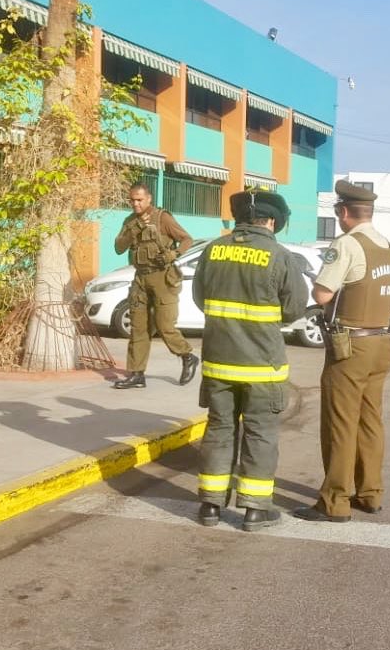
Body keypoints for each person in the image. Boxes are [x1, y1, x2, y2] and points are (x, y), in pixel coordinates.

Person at [192, 190, 309, 532]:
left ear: (241, 218)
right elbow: (294, 308)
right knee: (260, 433)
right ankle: (255, 510)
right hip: (261, 365)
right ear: (271, 221)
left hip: (218, 361)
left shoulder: (213, 250)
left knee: (219, 428)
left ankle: (210, 506)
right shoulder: (279, 255)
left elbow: (200, 298)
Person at [294, 180, 390, 523]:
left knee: (341, 423)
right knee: (371, 420)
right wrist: (378, 315)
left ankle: (335, 501)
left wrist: (319, 285)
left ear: (344, 213)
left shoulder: (346, 244)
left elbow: (324, 295)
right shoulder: (386, 245)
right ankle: (370, 493)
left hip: (351, 345)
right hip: (380, 342)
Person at [112, 182, 199, 389]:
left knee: (165, 326)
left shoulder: (162, 218)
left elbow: (187, 239)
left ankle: (187, 356)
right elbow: (118, 247)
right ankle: (136, 374)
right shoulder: (130, 221)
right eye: (132, 200)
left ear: (148, 199)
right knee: (138, 329)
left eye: (139, 200)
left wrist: (174, 253)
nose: (136, 204)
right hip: (140, 278)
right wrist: (136, 227)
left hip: (163, 278)